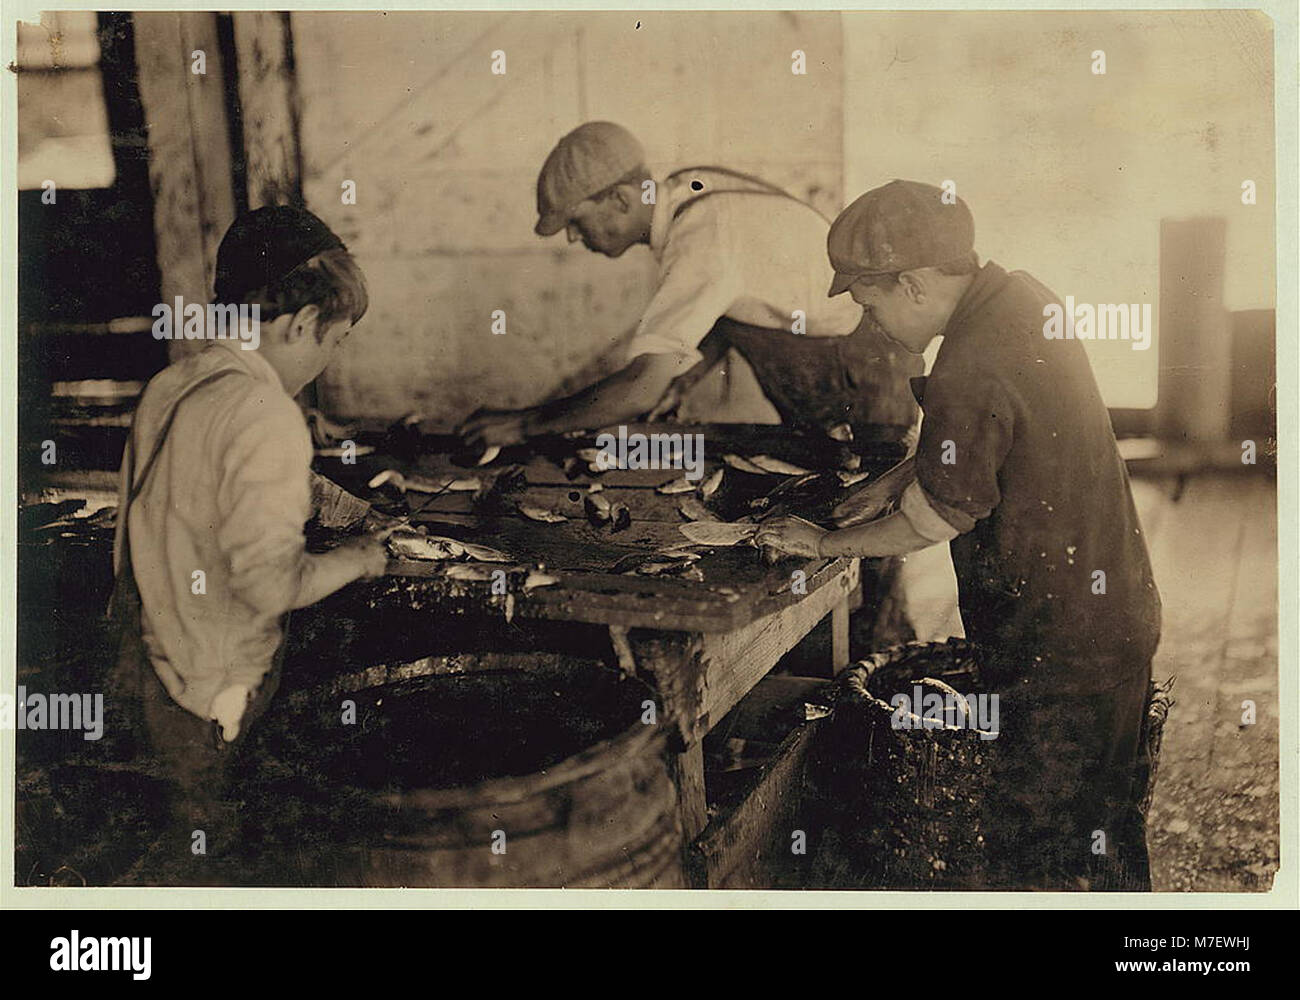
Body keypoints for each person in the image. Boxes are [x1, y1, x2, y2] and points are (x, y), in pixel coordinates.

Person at [757, 180, 1162, 890]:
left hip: (1056, 648)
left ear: (912, 284)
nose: (872, 325)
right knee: (1109, 824)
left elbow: (939, 517)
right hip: (1115, 615)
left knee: (1039, 851)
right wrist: (892, 480)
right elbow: (1003, 428)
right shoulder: (1021, 298)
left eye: (870, 303)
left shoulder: (966, 365)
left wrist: (820, 544)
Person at [106, 206, 389, 851]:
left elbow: (181, 494)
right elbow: (267, 586)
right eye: (336, 339)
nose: (333, 356)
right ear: (301, 324)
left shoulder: (174, 384)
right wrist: (359, 557)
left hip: (155, 663)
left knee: (184, 831)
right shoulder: (266, 415)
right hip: (218, 690)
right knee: (228, 850)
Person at [457, 121, 919, 450]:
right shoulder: (683, 191)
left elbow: (640, 388)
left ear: (620, 199)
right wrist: (688, 374)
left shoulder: (702, 236)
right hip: (841, 352)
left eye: (576, 223)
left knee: (862, 525)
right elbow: (733, 297)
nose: (574, 239)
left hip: (857, 369)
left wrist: (523, 424)